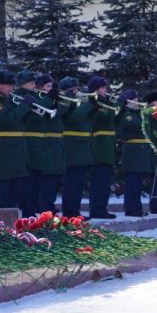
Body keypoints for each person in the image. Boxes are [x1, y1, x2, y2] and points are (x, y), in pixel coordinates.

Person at [0, 69, 33, 212]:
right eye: (9, 85)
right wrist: (24, 106)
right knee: (1, 194)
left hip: (14, 154)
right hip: (2, 153)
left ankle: (10, 227)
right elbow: (8, 119)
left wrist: (26, 108)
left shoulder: (8, 100)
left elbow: (19, 121)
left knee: (12, 195)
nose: (11, 88)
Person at [14, 70, 51, 215]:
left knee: (36, 180)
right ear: (23, 84)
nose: (34, 85)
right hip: (29, 141)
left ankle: (33, 209)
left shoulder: (34, 96)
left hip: (38, 143)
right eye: (30, 83)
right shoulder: (21, 95)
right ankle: (28, 211)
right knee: (28, 181)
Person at [59, 76, 94, 217]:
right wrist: (88, 104)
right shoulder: (64, 102)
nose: (76, 91)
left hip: (82, 146)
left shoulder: (78, 103)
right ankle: (69, 211)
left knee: (79, 182)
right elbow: (76, 117)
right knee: (71, 181)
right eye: (73, 89)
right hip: (71, 146)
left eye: (77, 88)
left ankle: (76, 210)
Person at [34, 74, 68, 213]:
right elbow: (41, 110)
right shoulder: (39, 98)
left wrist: (63, 102)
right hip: (46, 142)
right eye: (48, 86)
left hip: (56, 143)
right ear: (41, 87)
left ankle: (50, 206)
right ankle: (45, 207)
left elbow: (60, 114)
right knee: (48, 177)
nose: (51, 89)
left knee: (54, 178)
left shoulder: (51, 100)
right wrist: (50, 98)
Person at [86, 76, 117, 219]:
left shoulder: (105, 102)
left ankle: (102, 208)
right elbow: (103, 119)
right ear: (96, 89)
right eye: (103, 87)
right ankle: (96, 209)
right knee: (98, 180)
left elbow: (114, 121)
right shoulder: (94, 102)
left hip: (108, 146)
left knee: (105, 181)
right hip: (99, 144)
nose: (106, 90)